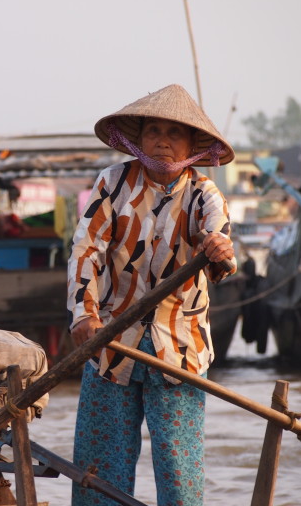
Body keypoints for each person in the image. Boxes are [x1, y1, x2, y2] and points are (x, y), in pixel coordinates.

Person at [67, 84, 236, 506]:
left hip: (180, 348)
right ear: (138, 139)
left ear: (192, 144)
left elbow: (219, 239)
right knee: (98, 474)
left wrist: (216, 247)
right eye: (154, 131)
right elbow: (86, 249)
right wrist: (83, 315)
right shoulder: (111, 183)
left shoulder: (203, 193)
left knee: (179, 473)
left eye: (174, 133)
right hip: (111, 342)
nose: (162, 140)